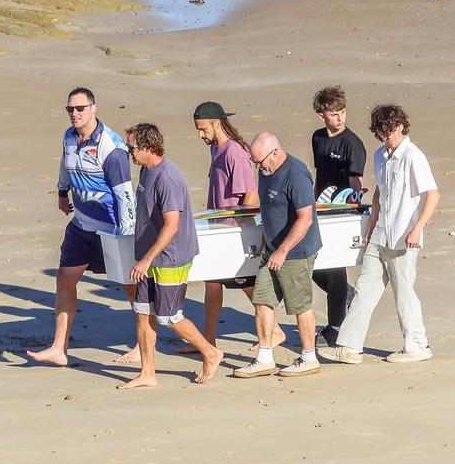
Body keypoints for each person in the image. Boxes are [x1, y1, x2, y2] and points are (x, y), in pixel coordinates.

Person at [320, 105, 440, 365]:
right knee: (365, 290)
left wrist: (417, 228)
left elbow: (432, 194)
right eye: (384, 132)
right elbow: (380, 190)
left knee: (404, 291)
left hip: (404, 237)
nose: (389, 135)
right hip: (381, 233)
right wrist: (373, 218)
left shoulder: (412, 156)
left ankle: (417, 345)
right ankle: (349, 347)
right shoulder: (379, 155)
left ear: (401, 126)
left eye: (393, 129)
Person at [27, 87, 136, 366]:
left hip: (110, 228)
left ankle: (143, 342)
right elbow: (66, 165)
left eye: (80, 109)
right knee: (65, 279)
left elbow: (125, 194)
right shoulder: (69, 136)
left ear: (93, 108)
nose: (74, 114)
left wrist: (127, 234)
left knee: (130, 287)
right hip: (81, 226)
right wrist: (62, 192)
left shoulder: (111, 148)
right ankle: (59, 348)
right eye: (70, 109)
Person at [118, 123, 223, 389]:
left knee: (168, 317)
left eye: (131, 147)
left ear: (147, 147)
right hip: (147, 256)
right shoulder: (146, 171)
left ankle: (210, 353)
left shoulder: (168, 177)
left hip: (170, 258)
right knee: (142, 312)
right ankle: (148, 372)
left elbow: (171, 225)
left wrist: (146, 259)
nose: (129, 152)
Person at [182, 100, 284, 351]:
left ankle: (277, 331)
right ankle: (208, 338)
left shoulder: (235, 152)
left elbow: (250, 196)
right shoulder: (216, 149)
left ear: (218, 123)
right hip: (217, 228)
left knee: (245, 284)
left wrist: (236, 230)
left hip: (233, 231)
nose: (200, 134)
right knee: (212, 282)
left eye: (203, 128)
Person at [234, 133, 322, 379]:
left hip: (296, 252)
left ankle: (308, 357)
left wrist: (283, 250)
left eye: (261, 162)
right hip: (271, 250)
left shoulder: (296, 174)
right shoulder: (265, 172)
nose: (259, 168)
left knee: (299, 305)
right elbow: (268, 210)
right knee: (261, 300)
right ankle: (264, 357)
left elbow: (305, 219)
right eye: (256, 163)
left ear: (274, 153)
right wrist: (266, 243)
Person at [311, 86, 367, 348]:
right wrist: (311, 206)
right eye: (334, 114)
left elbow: (356, 184)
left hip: (342, 213)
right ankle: (346, 293)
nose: (340, 118)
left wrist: (351, 216)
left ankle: (334, 329)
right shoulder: (317, 138)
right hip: (319, 209)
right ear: (322, 115)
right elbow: (319, 175)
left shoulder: (353, 144)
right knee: (312, 267)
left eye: (342, 112)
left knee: (333, 270)